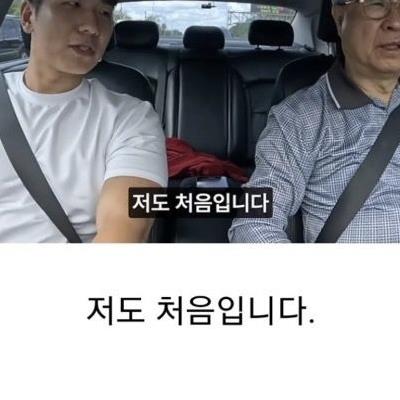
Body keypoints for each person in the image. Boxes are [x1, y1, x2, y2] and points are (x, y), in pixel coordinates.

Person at [229, 0, 400, 243]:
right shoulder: (300, 118)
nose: (396, 21)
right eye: (377, 3)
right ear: (339, 18)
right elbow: (254, 222)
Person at [0, 0, 168, 242]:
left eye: (104, 13)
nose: (93, 27)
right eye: (73, 4)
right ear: (28, 16)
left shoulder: (131, 117)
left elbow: (124, 229)